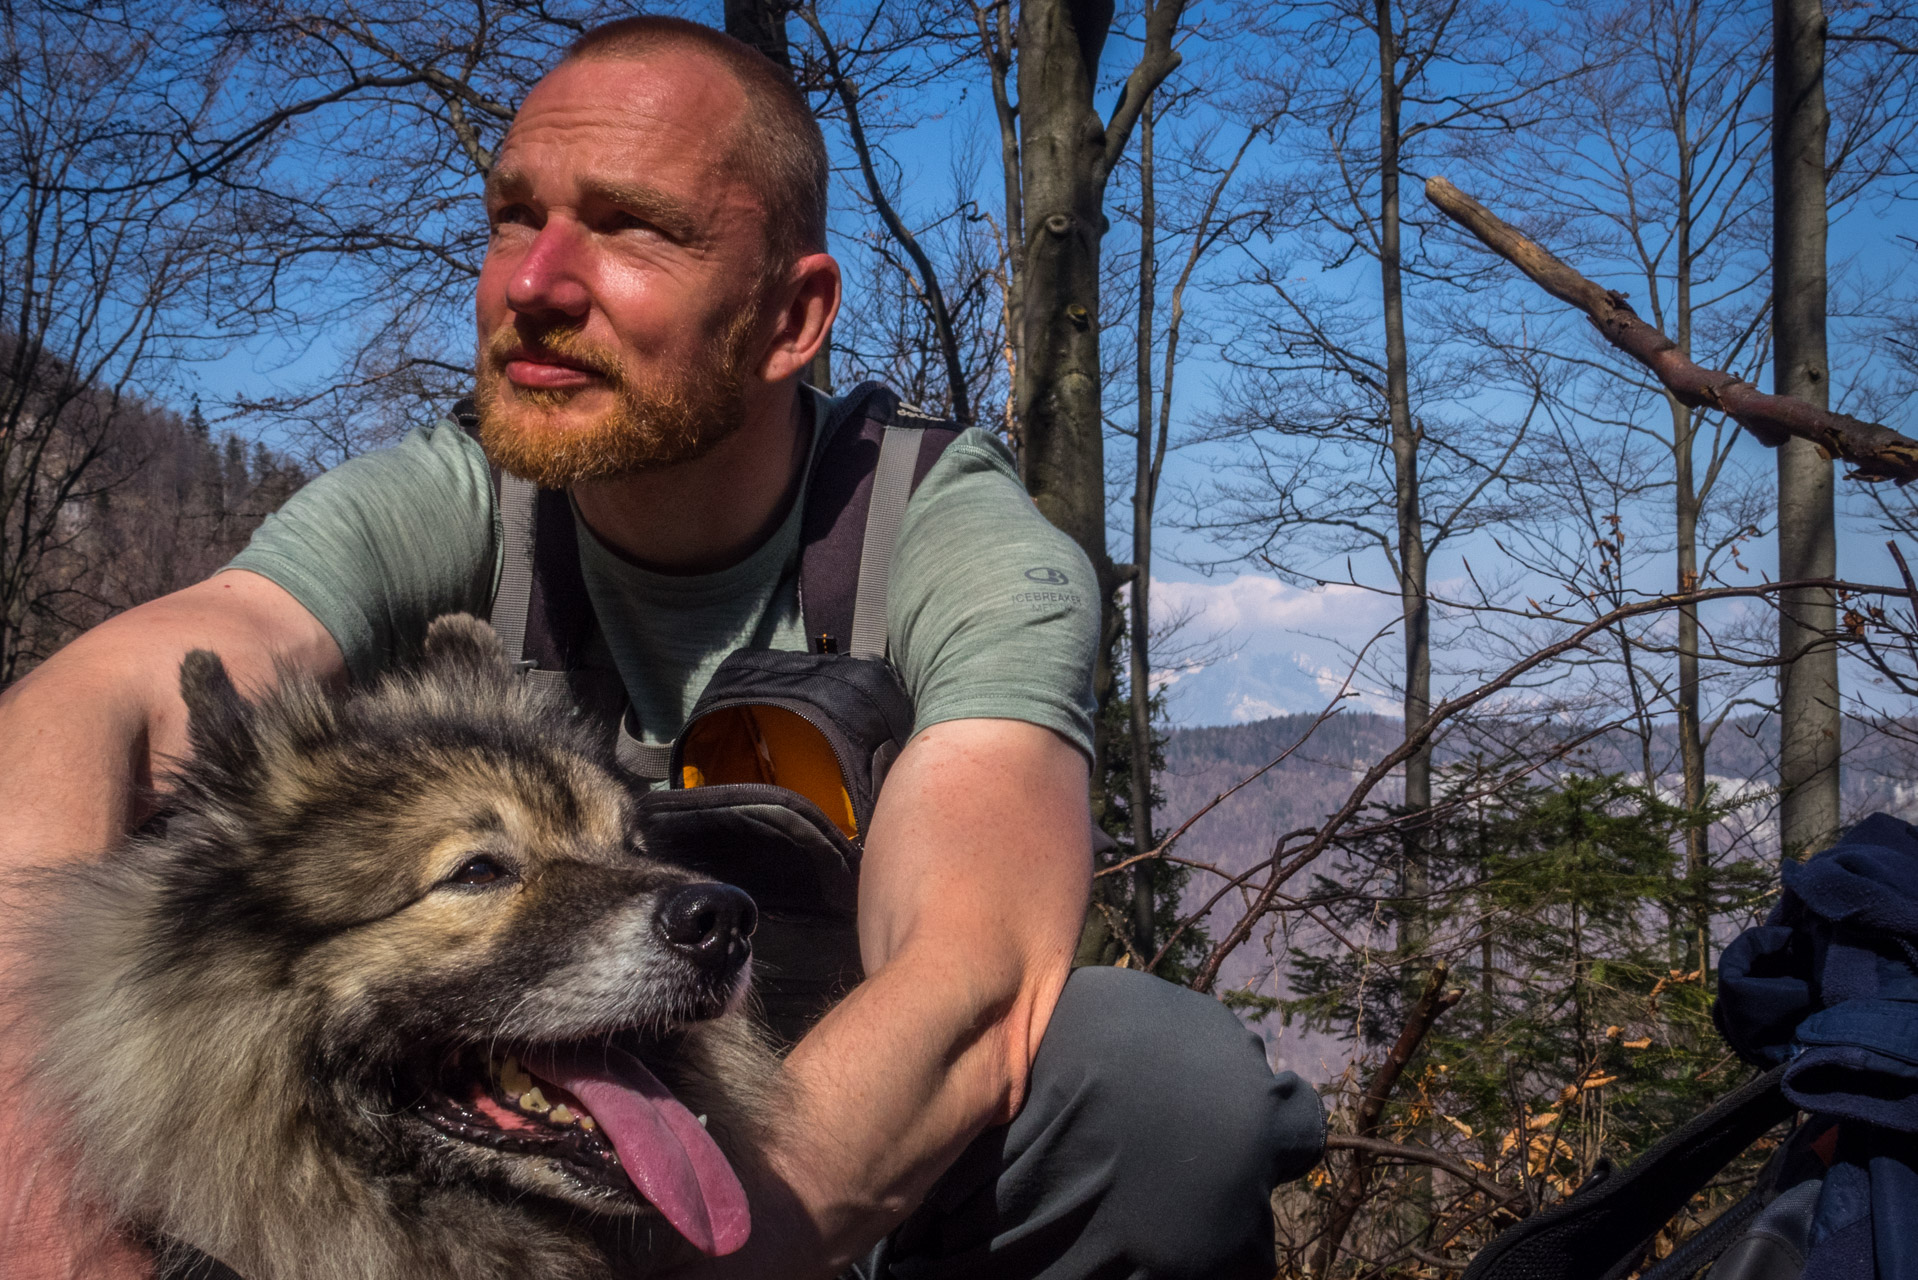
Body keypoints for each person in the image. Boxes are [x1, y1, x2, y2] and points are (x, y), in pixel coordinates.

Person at [0, 17, 1321, 1280]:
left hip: (858, 1164)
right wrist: (27, 1135)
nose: (532, 285)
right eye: (515, 216)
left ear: (791, 320)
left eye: (631, 230)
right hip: (528, 1139)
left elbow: (972, 971)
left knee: (1155, 1086)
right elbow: (102, 695)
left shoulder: (953, 544)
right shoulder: (457, 494)